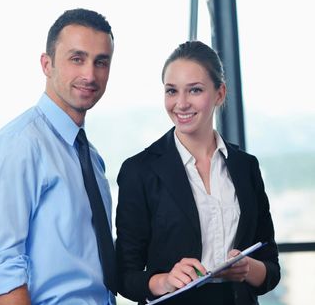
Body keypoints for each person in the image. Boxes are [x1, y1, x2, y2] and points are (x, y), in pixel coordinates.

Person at [115, 41, 280, 305]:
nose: (181, 103)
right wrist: (166, 280)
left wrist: (248, 268)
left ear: (219, 93)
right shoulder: (139, 171)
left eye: (194, 90)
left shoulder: (245, 167)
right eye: (172, 91)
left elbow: (271, 267)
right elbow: (125, 276)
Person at [0, 8, 117, 304]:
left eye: (100, 62)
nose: (90, 74)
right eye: (77, 59)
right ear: (46, 64)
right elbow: (1, 267)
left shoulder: (90, 156)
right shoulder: (18, 146)